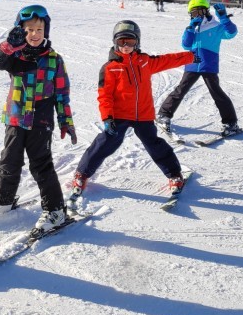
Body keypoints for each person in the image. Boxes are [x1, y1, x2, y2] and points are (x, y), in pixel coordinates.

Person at [0, 5, 76, 234]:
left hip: (41, 120)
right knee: (8, 161)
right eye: (29, 30)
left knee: (41, 165)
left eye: (39, 29)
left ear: (45, 31)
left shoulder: (54, 60)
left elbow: (62, 93)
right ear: (21, 31)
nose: (35, 34)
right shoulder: (15, 56)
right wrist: (9, 45)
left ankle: (55, 210)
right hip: (15, 117)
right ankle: (3, 200)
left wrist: (65, 120)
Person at [70, 20, 194, 196]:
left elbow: (168, 60)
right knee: (105, 142)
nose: (126, 46)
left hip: (143, 115)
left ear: (138, 42)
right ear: (115, 42)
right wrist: (107, 118)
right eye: (121, 42)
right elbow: (104, 96)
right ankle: (82, 174)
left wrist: (190, 56)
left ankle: (175, 175)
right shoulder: (110, 68)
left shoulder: (144, 62)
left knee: (154, 144)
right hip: (119, 115)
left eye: (130, 42)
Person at [156, 0, 241, 137]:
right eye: (194, 13)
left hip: (208, 65)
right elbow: (186, 45)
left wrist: (224, 18)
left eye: (199, 12)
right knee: (180, 90)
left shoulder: (216, 26)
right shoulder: (192, 28)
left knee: (217, 93)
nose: (197, 16)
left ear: (206, 11)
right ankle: (163, 115)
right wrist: (190, 28)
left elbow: (231, 33)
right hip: (192, 64)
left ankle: (231, 123)